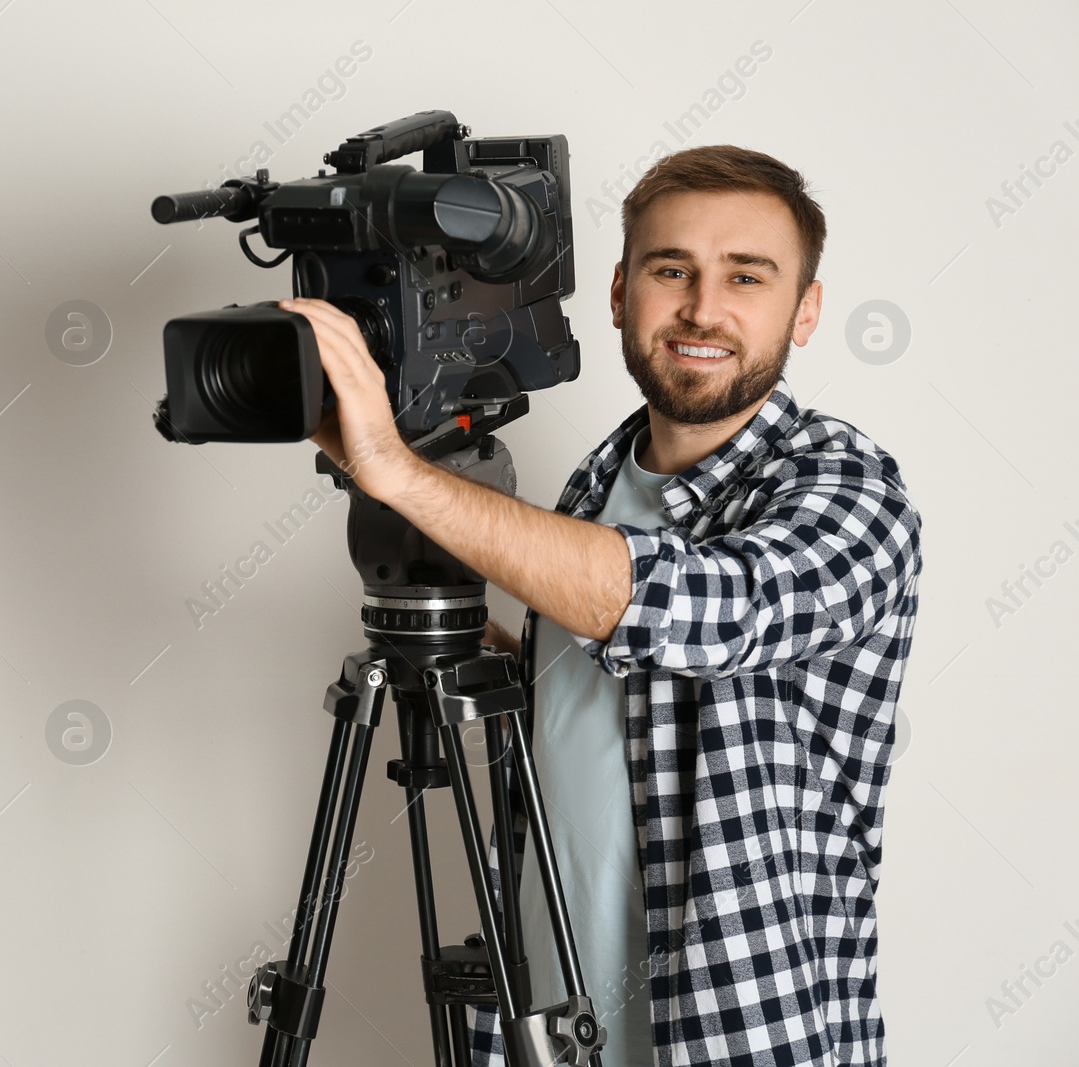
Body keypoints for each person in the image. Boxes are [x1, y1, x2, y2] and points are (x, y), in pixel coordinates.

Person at [279, 144, 921, 1067]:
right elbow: (592, 684)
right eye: (672, 270)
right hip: (551, 1021)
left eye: (747, 276)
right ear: (620, 293)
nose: (703, 308)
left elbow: (701, 610)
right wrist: (469, 645)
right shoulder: (598, 481)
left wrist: (398, 471)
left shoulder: (850, 490)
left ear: (805, 310)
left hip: (734, 1034)